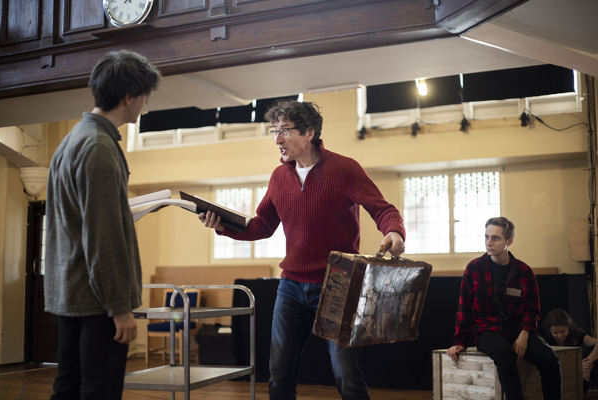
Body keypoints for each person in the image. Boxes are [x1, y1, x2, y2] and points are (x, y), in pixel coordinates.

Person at [199, 99, 406, 400]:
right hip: (291, 286)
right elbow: (262, 226)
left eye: (284, 130)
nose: (277, 139)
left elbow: (382, 208)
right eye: (273, 131)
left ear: (309, 132)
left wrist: (394, 231)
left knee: (346, 375)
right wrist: (222, 225)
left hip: (338, 283)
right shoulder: (278, 177)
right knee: (279, 375)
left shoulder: (345, 169)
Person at [44, 50, 160, 400]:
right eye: (144, 97)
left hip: (72, 293)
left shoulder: (72, 139)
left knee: (68, 389)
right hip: (98, 303)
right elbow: (102, 237)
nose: (144, 104)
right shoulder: (99, 146)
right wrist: (119, 308)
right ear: (129, 96)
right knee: (99, 393)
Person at [446, 217, 562, 400]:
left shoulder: (524, 271)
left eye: (495, 238)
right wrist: (459, 340)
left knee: (551, 361)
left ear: (509, 241)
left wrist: (524, 333)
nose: (489, 242)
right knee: (503, 352)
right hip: (487, 330)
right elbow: (464, 308)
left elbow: (531, 309)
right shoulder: (474, 268)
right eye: (486, 237)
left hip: (518, 329)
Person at [543, 308, 598, 394]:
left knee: (590, 352)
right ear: (550, 330)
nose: (560, 336)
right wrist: (579, 366)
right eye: (555, 333)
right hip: (561, 377)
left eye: (563, 331)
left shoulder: (576, 334)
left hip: (583, 377)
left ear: (568, 326)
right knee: (581, 352)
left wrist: (588, 362)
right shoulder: (546, 340)